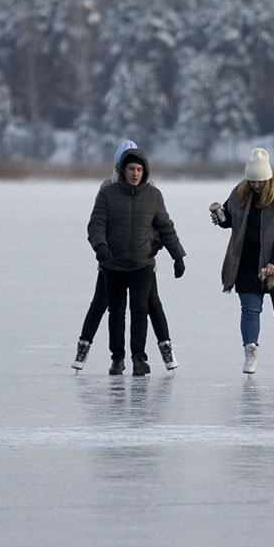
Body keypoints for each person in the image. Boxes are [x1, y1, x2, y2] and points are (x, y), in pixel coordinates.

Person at [72, 141, 179, 373]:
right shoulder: (107, 189)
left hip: (143, 260)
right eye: (129, 167)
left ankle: (149, 355)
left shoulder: (150, 189)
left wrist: (165, 249)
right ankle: (102, 354)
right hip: (112, 260)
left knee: (147, 307)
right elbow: (98, 222)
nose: (135, 173)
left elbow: (161, 224)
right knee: (109, 307)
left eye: (139, 169)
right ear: (121, 167)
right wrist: (100, 246)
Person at [211, 148, 274, 377]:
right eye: (252, 180)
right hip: (246, 260)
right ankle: (250, 353)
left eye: (260, 181)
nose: (256, 185)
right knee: (250, 309)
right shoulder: (240, 192)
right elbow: (230, 221)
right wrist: (219, 215)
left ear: (268, 177)